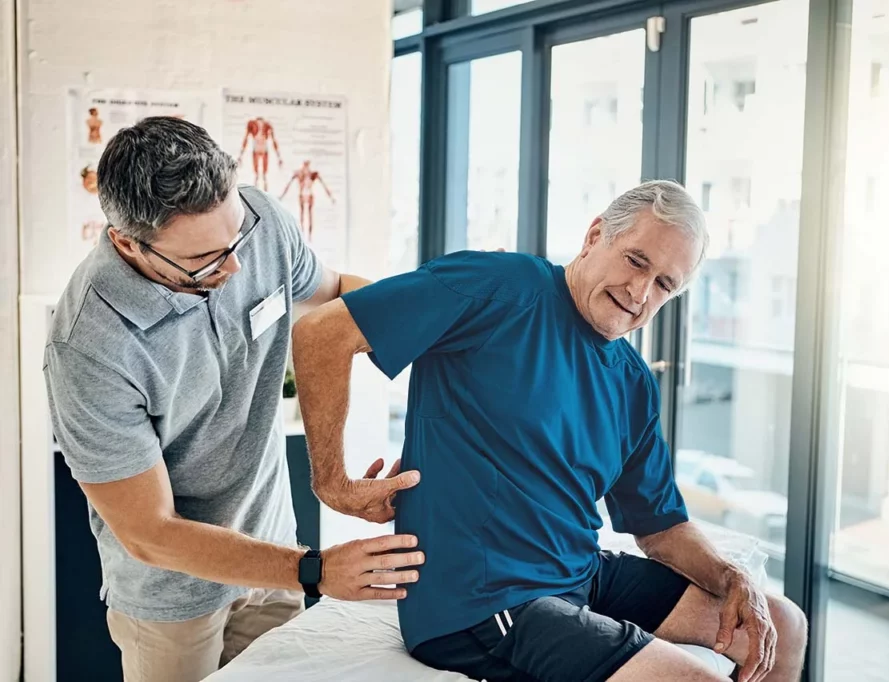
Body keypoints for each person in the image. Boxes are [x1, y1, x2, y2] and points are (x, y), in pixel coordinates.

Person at [292, 180, 808, 682]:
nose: (640, 292)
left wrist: (731, 578)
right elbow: (323, 332)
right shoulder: (494, 283)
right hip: (478, 598)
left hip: (578, 572)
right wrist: (332, 482)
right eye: (636, 261)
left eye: (664, 285)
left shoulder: (631, 380)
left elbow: (661, 528)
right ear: (594, 236)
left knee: (783, 625)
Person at [43, 117, 423, 682]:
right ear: (127, 241)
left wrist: (438, 329)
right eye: (205, 261)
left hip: (274, 553)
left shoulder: (259, 222)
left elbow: (338, 295)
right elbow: (151, 533)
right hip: (172, 594)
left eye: (237, 237)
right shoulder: (91, 345)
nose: (238, 266)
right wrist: (315, 570)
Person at [280, 159, 335, 241]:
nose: (306, 167)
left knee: (310, 215)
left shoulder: (313, 174)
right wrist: (282, 196)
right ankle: (302, 235)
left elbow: (324, 185)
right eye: (305, 165)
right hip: (302, 195)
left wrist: (330, 197)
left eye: (307, 165)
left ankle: (309, 236)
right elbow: (289, 184)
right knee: (302, 215)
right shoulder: (299, 174)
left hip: (309, 195)